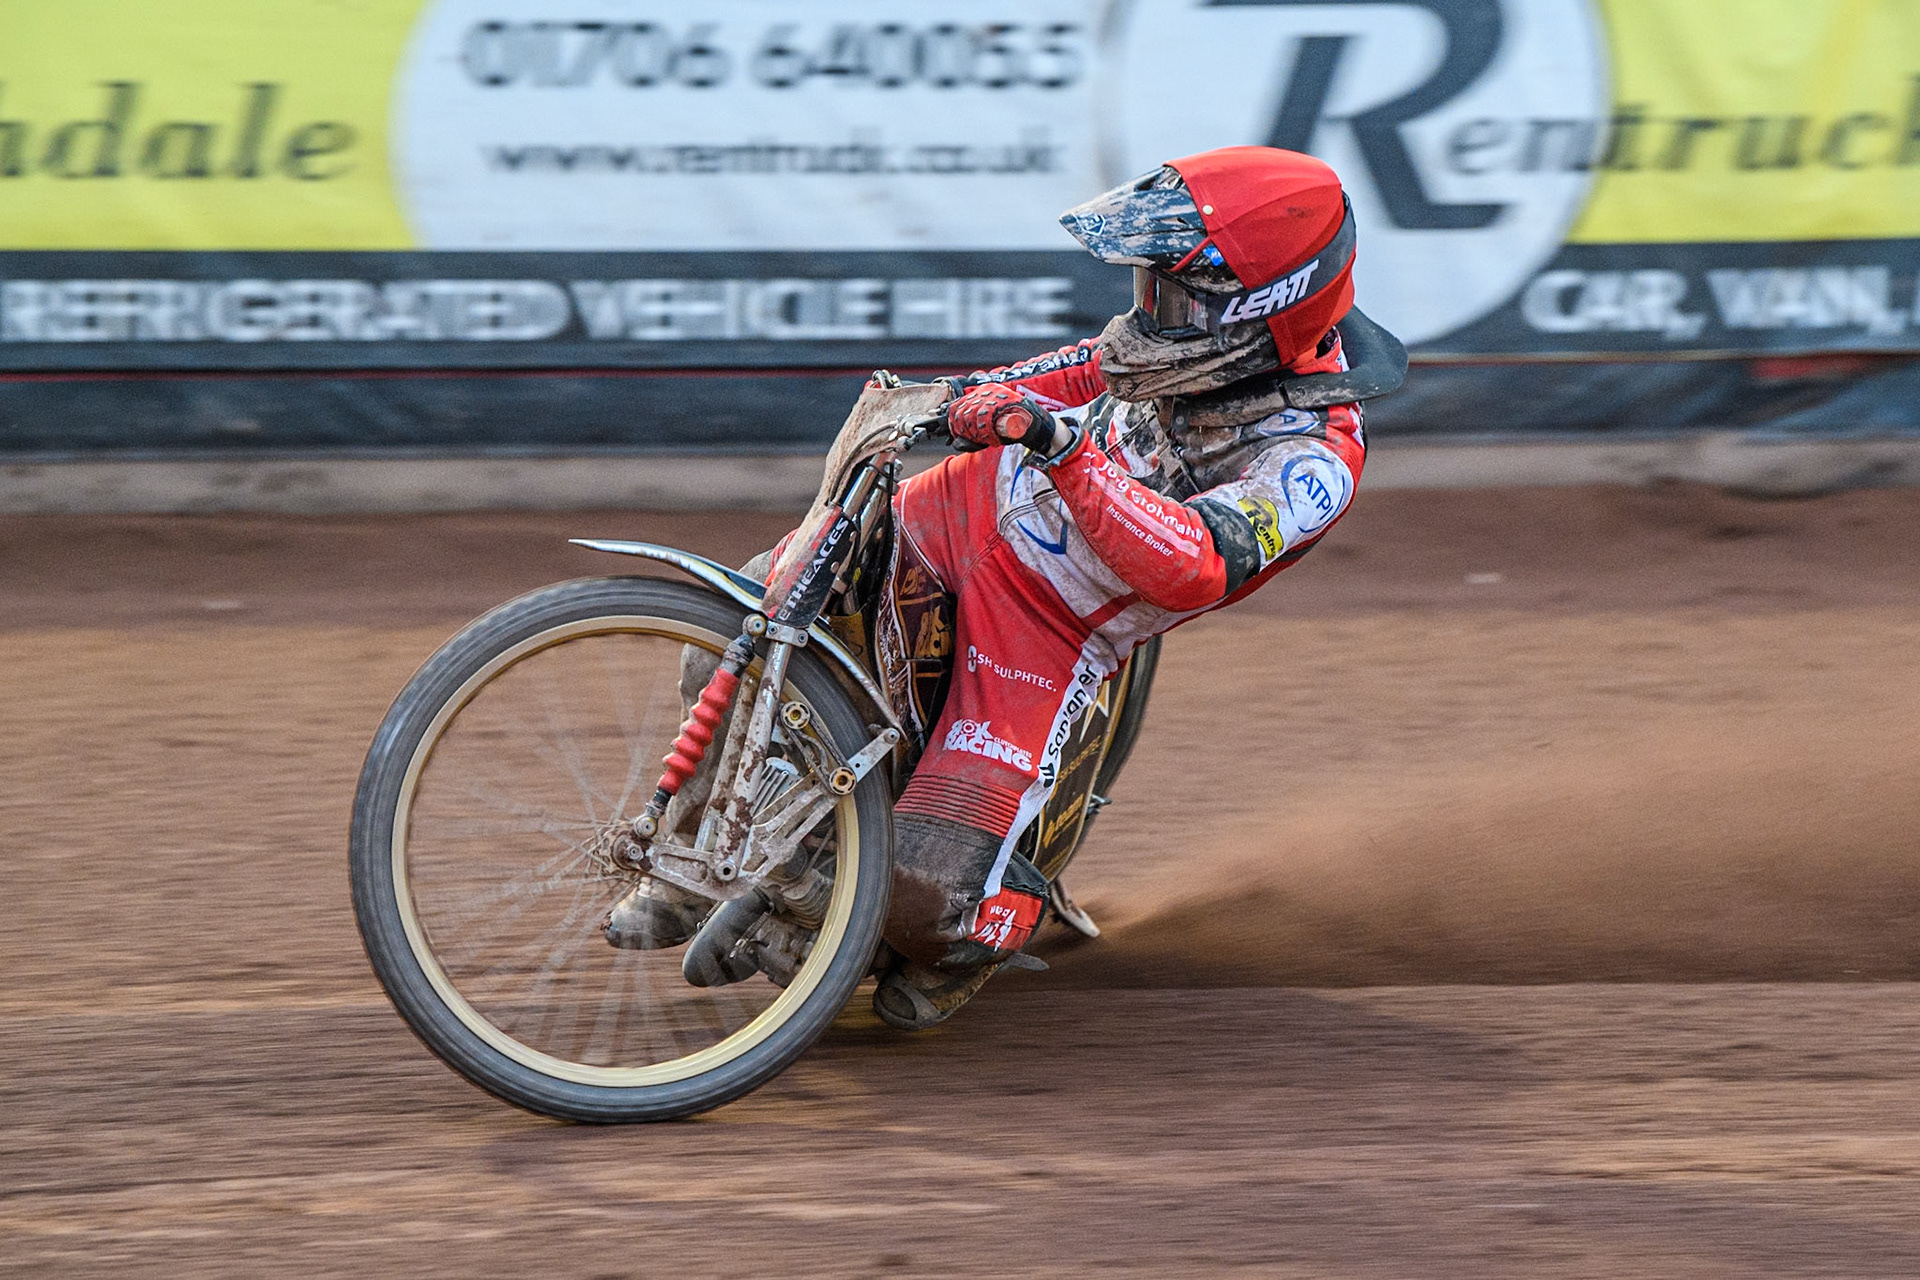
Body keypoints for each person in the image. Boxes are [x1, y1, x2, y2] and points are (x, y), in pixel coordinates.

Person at [607, 146, 1392, 1031]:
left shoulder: (1314, 456)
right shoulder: (1168, 344)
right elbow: (1072, 374)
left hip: (1046, 627)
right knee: (747, 610)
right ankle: (681, 850)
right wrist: (951, 399)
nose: (1146, 314)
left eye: (1173, 296)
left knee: (928, 897)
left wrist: (1066, 453)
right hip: (953, 515)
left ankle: (888, 919)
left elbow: (1195, 564)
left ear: (1261, 311)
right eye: (1147, 288)